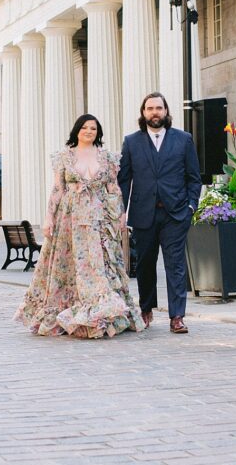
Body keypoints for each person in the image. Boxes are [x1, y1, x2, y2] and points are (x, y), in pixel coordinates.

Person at [16, 114, 145, 338]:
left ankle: (101, 312)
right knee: (68, 264)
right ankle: (67, 310)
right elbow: (58, 189)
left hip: (99, 218)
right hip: (70, 218)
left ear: (98, 132)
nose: (88, 131)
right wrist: (49, 217)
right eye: (85, 127)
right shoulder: (64, 157)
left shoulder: (107, 157)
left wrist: (121, 215)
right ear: (77, 130)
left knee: (98, 264)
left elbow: (113, 189)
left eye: (93, 128)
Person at [118, 92, 201, 334]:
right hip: (143, 214)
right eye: (150, 108)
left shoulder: (183, 140)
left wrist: (191, 206)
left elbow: (193, 178)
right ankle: (146, 310)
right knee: (145, 265)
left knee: (175, 265)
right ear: (143, 113)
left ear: (166, 111)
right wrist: (121, 211)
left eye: (159, 108)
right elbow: (124, 180)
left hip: (175, 214)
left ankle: (177, 316)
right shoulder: (131, 142)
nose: (155, 112)